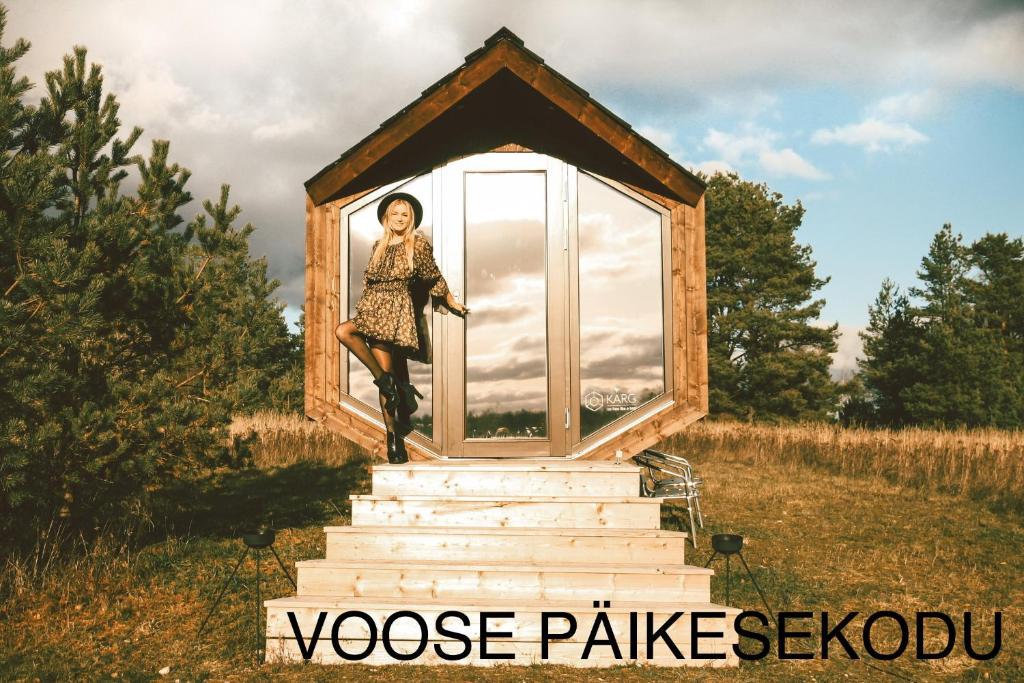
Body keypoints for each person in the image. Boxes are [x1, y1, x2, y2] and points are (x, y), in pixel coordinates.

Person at [334, 192, 469, 463]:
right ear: (387, 217)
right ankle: (388, 383)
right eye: (395, 213)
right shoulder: (377, 246)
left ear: (411, 219)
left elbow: (432, 276)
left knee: (386, 370)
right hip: (373, 309)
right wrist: (364, 309)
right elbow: (369, 284)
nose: (399, 218)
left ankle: (394, 440)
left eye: (404, 214)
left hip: (396, 313)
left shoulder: (417, 244)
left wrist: (451, 300)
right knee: (343, 331)